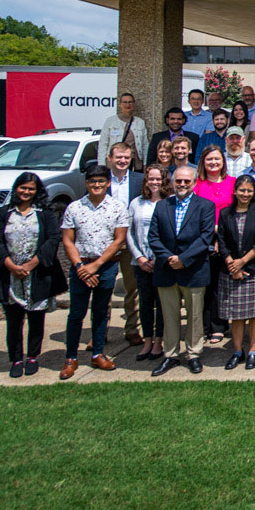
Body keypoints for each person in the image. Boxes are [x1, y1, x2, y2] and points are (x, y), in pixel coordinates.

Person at [0, 174, 65, 378]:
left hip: (37, 274)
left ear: (37, 191)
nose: (26, 192)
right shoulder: (3, 213)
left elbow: (53, 239)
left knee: (36, 319)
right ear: (16, 189)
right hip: (10, 276)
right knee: (13, 321)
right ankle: (15, 359)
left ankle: (32, 356)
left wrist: (31, 264)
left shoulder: (45, 213)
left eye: (31, 189)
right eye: (23, 188)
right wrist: (12, 266)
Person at [58, 165, 129, 379]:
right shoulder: (74, 208)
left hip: (105, 266)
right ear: (86, 183)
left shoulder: (117, 207)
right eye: (92, 181)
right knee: (76, 314)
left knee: (100, 313)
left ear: (108, 183)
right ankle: (70, 357)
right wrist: (80, 267)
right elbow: (68, 240)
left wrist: (96, 266)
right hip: (80, 267)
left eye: (101, 181)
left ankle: (98, 353)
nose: (96, 185)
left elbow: (119, 240)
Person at [148, 165, 215, 376]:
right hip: (167, 269)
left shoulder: (205, 206)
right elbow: (153, 237)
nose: (183, 184)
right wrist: (169, 258)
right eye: (179, 181)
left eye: (187, 181)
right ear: (173, 182)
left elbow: (205, 238)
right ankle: (171, 355)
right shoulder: (162, 206)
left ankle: (193, 354)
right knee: (169, 316)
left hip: (193, 269)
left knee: (195, 316)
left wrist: (184, 259)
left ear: (194, 183)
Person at [216, 175, 255, 370]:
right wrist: (231, 263)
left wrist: (243, 261)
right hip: (231, 270)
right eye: (242, 190)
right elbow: (221, 241)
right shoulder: (225, 213)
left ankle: (253, 349)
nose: (245, 194)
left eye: (249, 191)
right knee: (237, 314)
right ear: (235, 191)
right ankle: (237, 350)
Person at [194, 144, 235, 344]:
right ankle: (203, 325)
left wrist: (221, 237)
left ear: (223, 161)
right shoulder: (197, 185)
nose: (213, 162)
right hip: (203, 240)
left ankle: (219, 325)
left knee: (222, 285)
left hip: (227, 240)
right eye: (209, 159)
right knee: (205, 285)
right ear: (203, 162)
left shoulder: (232, 182)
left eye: (217, 159)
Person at [104, 142, 143, 348]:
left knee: (131, 288)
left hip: (130, 241)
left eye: (126, 158)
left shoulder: (139, 180)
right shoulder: (101, 181)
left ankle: (131, 329)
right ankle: (100, 331)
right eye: (118, 157)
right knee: (104, 289)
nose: (122, 161)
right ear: (109, 158)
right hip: (105, 243)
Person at [126, 164, 166, 362]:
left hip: (162, 262)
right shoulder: (136, 203)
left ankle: (159, 340)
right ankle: (147, 340)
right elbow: (129, 232)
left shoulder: (169, 202)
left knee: (162, 303)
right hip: (140, 262)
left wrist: (159, 258)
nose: (155, 182)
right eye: (151, 178)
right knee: (145, 303)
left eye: (158, 179)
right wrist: (139, 257)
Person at [99, 92, 149, 171]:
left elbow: (145, 145)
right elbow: (103, 144)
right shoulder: (111, 121)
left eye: (130, 102)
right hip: (115, 162)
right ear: (120, 104)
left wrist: (146, 163)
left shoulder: (140, 122)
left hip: (134, 162)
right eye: (125, 102)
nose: (127, 105)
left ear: (133, 104)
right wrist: (101, 165)